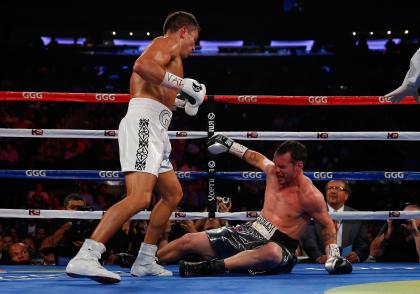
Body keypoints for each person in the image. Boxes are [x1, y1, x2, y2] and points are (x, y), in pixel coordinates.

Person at [66, 11, 205, 283]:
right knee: (140, 197)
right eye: (194, 40)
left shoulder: (169, 57)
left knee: (172, 194)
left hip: (156, 126)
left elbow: (151, 89)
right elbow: (141, 66)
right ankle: (86, 255)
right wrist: (182, 83)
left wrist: (180, 102)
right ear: (183, 31)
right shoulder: (166, 42)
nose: (194, 47)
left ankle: (144, 259)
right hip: (144, 124)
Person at [157, 137, 352, 277]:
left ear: (298, 166)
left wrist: (333, 257)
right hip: (250, 233)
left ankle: (212, 267)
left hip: (279, 248)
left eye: (282, 167)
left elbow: (327, 225)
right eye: (276, 164)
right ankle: (148, 260)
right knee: (189, 240)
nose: (276, 170)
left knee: (272, 252)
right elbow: (255, 157)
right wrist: (230, 145)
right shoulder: (272, 173)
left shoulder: (311, 196)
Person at [300, 180, 369, 263]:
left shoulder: (356, 215)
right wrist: (318, 256)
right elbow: (308, 240)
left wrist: (357, 255)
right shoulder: (314, 213)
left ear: (346, 195)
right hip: (320, 264)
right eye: (330, 188)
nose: (333, 191)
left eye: (338, 188)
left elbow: (364, 244)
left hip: (349, 262)